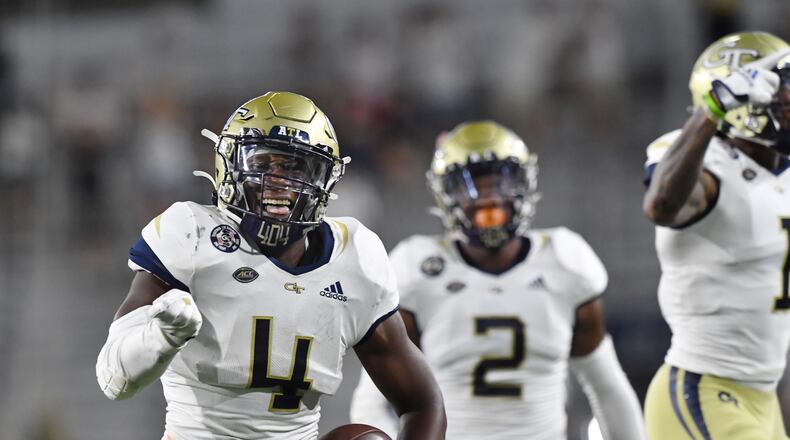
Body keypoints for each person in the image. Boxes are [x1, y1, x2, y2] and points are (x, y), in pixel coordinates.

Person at [95, 91, 446, 439]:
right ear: (230, 167)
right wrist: (160, 337)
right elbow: (114, 378)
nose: (277, 180)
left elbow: (422, 403)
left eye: (294, 167)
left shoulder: (355, 256)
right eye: (262, 164)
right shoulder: (191, 232)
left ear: (324, 179)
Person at [349, 121, 645, 439]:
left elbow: (606, 386)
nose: (487, 198)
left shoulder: (564, 260)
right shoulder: (417, 268)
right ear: (445, 193)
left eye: (500, 182)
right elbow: (374, 396)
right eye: (470, 185)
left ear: (524, 183)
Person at [642, 32, 790, 439]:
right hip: (703, 389)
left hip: (764, 398)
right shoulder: (705, 162)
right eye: (783, 90)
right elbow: (661, 205)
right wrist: (712, 109)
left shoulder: (783, 173)